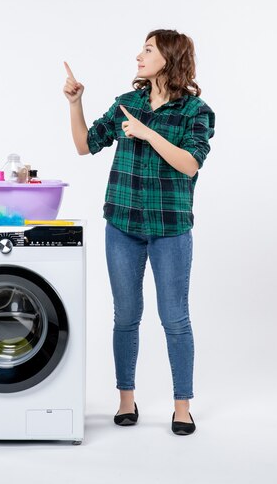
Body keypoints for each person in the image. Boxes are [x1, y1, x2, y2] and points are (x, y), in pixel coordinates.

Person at [63, 29, 215, 435]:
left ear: (169, 57)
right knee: (126, 317)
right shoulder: (126, 104)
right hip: (123, 227)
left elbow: (190, 164)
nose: (138, 56)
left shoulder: (195, 111)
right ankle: (126, 400)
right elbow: (83, 144)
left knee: (175, 318)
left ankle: (182, 406)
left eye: (148, 49)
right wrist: (76, 103)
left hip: (170, 229)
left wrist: (149, 134)